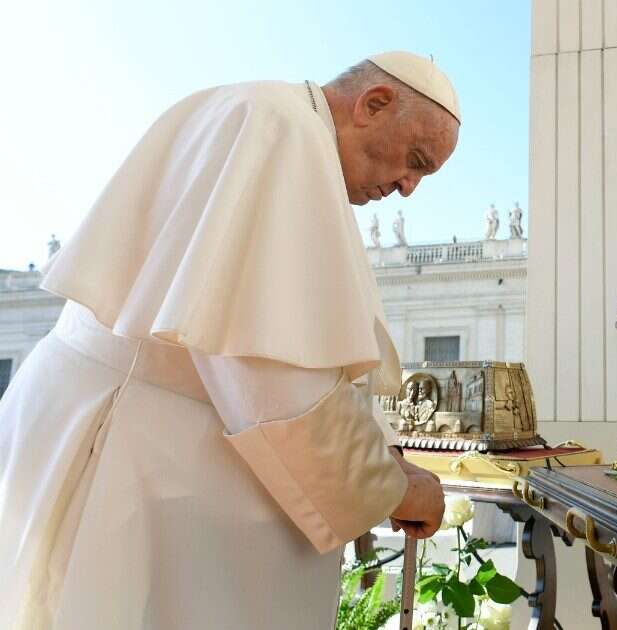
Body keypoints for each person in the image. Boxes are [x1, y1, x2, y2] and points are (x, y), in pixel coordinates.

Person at [0, 51, 460, 629]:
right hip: (128, 458)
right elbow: (277, 387)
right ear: (374, 104)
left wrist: (384, 456)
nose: (410, 187)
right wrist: (393, 491)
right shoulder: (281, 133)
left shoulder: (271, 119)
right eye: (416, 161)